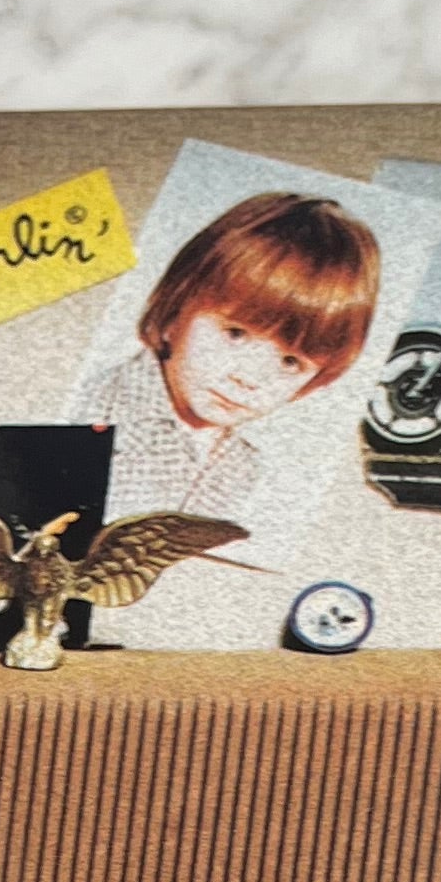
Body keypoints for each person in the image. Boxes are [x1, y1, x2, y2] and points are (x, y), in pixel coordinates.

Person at [65, 188, 382, 604]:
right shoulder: (92, 413)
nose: (248, 377)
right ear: (176, 307)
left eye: (290, 362)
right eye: (235, 333)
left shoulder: (241, 467)